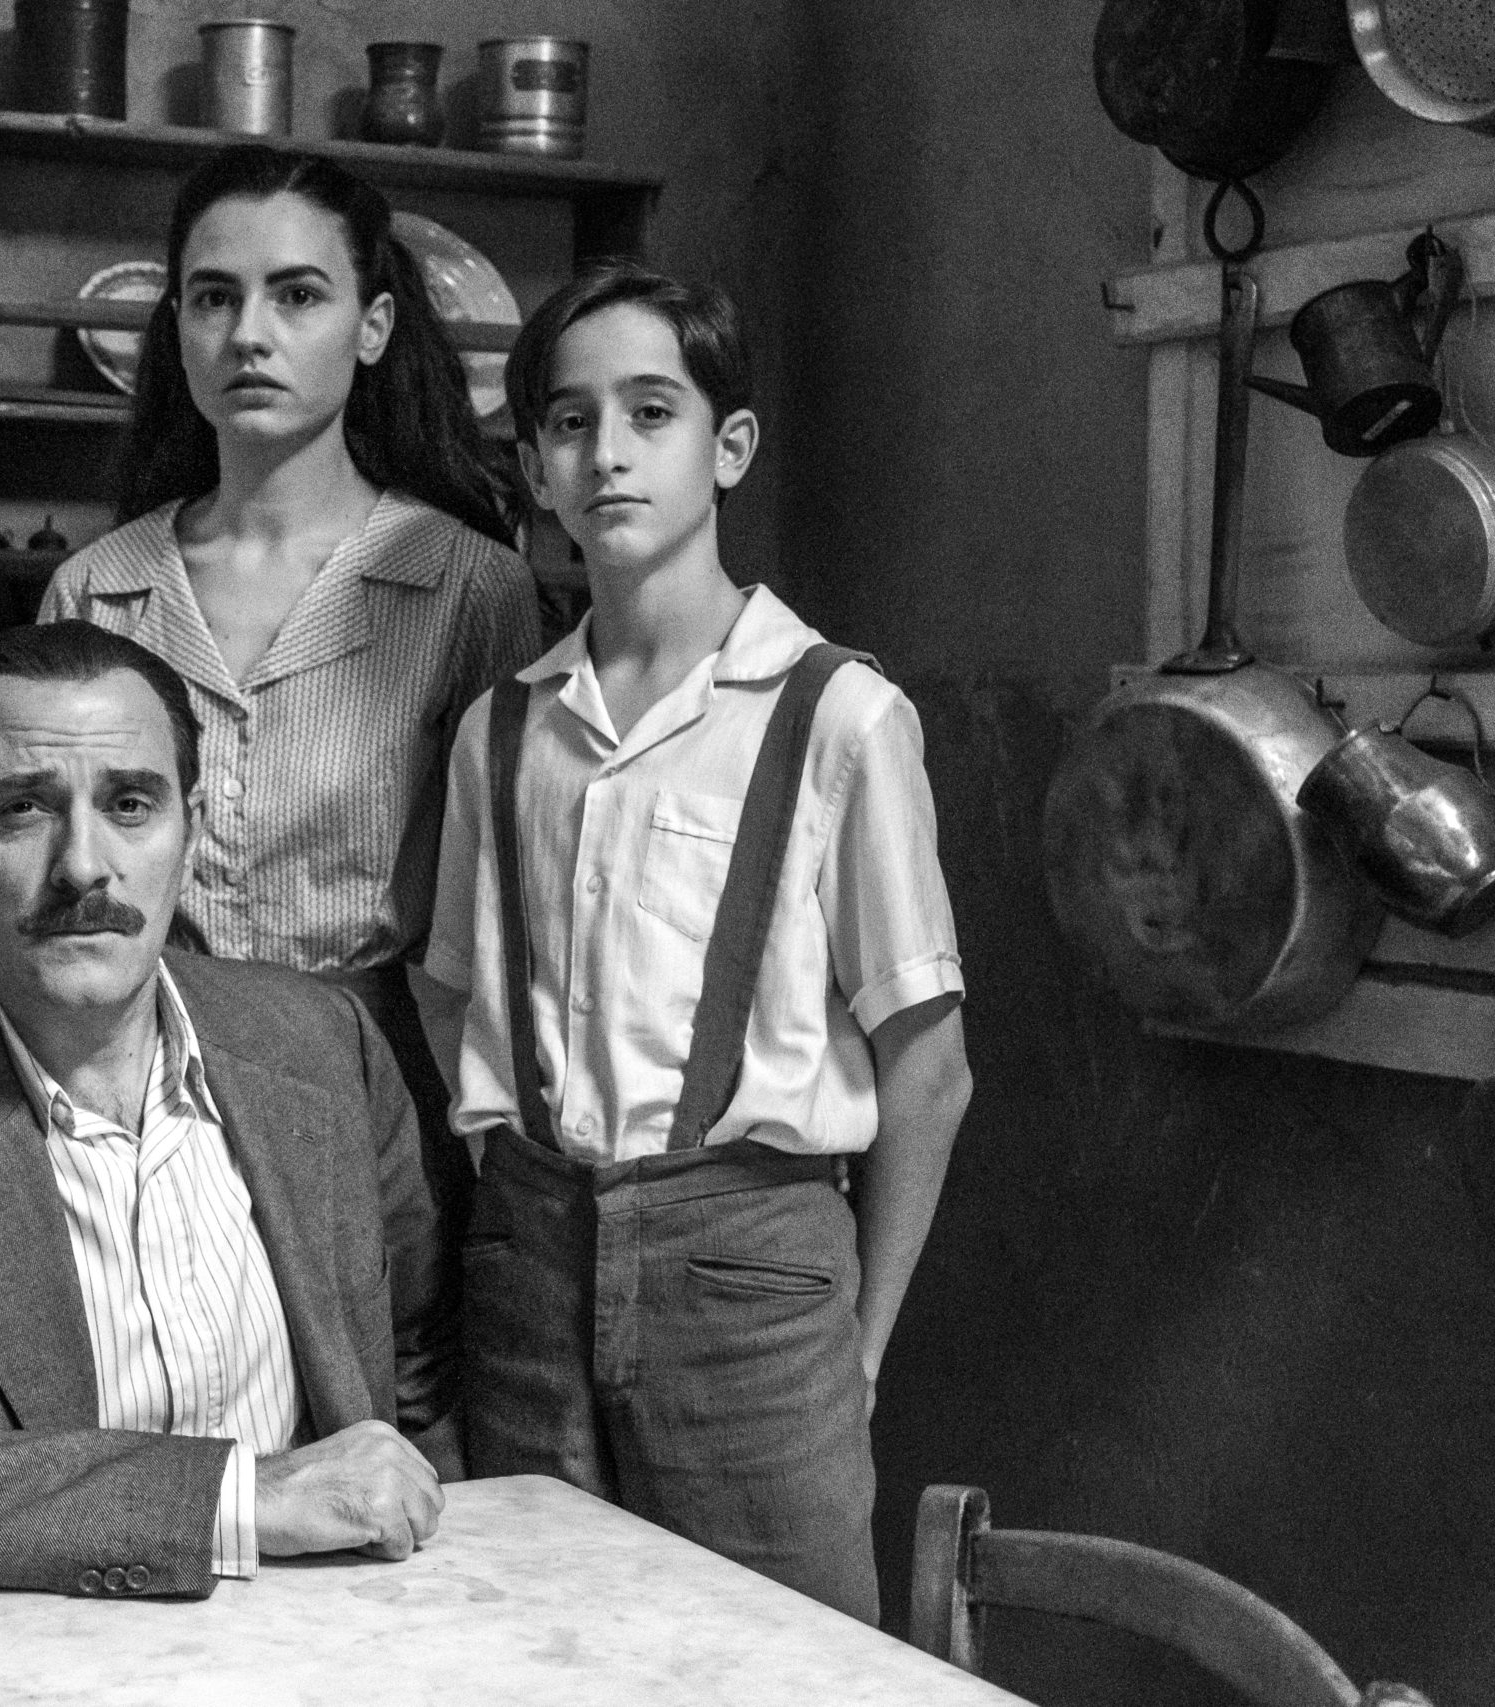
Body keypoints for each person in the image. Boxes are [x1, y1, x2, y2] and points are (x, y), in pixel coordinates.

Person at [414, 263, 973, 1624]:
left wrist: (855, 1347)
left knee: (782, 1652)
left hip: (752, 1268)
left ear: (728, 447)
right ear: (534, 468)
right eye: (568, 421)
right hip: (531, 1255)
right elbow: (449, 994)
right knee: (540, 1639)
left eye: (650, 412)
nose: (606, 452)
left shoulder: (837, 715)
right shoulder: (502, 729)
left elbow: (929, 1066)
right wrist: (531, 1190)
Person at [0, 621, 457, 1598]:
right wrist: (233, 1497)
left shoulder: (325, 1047)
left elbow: (417, 1372)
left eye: (130, 805)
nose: (82, 866)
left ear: (190, 830)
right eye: (23, 810)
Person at [36, 144, 543, 1222]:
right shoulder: (97, 589)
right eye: (213, 297)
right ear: (177, 323)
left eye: (298, 295)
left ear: (373, 325)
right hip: (139, 1079)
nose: (248, 334)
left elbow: (510, 909)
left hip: (384, 1085)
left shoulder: (465, 586)